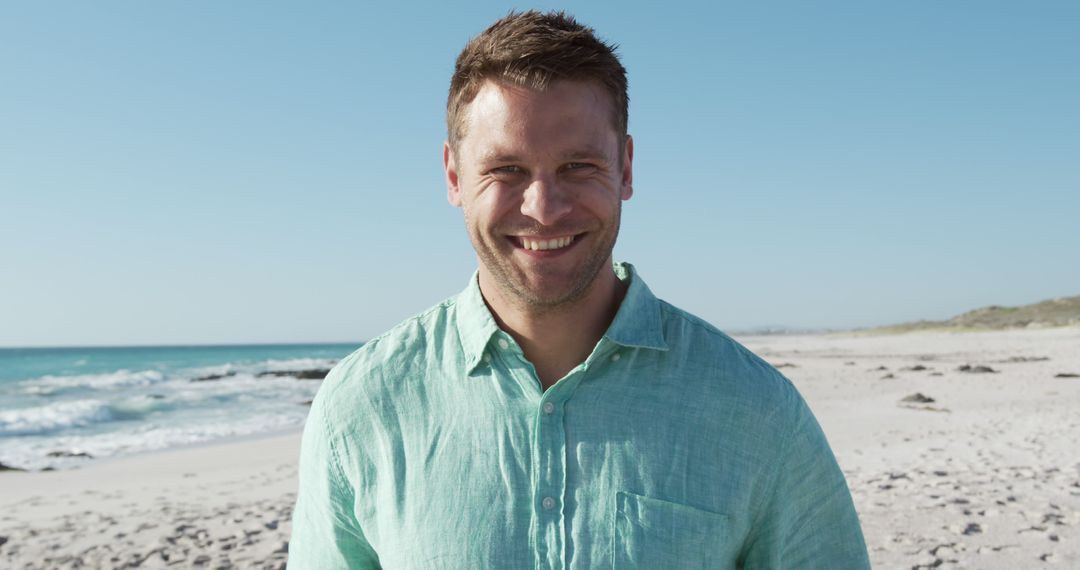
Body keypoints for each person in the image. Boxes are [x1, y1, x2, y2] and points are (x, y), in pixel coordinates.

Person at [288, 10, 870, 569]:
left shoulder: (756, 411)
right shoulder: (360, 408)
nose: (544, 208)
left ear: (626, 168)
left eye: (577, 167)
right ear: (453, 176)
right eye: (507, 170)